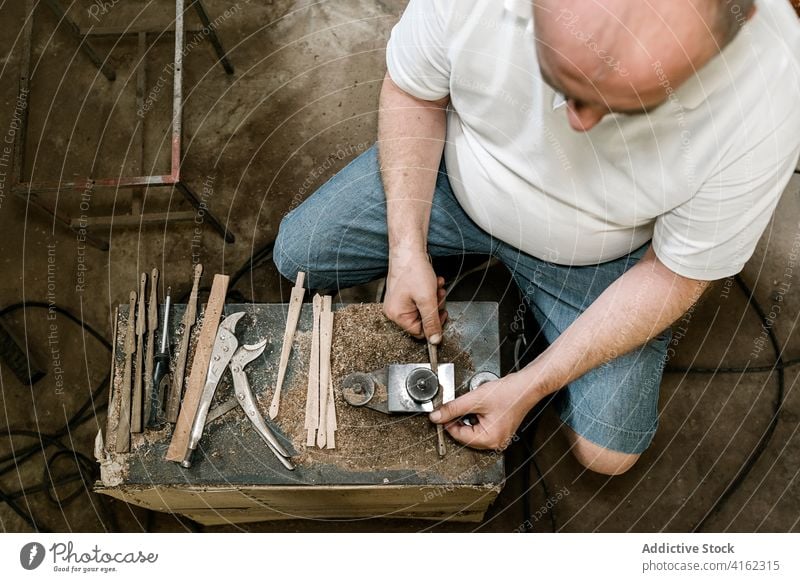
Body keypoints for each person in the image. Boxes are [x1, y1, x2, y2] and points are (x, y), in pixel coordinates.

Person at [274, 0, 800, 475]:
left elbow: (676, 272)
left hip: (596, 256)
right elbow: (413, 91)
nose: (578, 124)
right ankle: (441, 257)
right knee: (299, 255)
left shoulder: (772, 95)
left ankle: (562, 327)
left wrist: (529, 387)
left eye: (626, 106)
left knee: (608, 454)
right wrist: (405, 249)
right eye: (564, 85)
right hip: (456, 182)